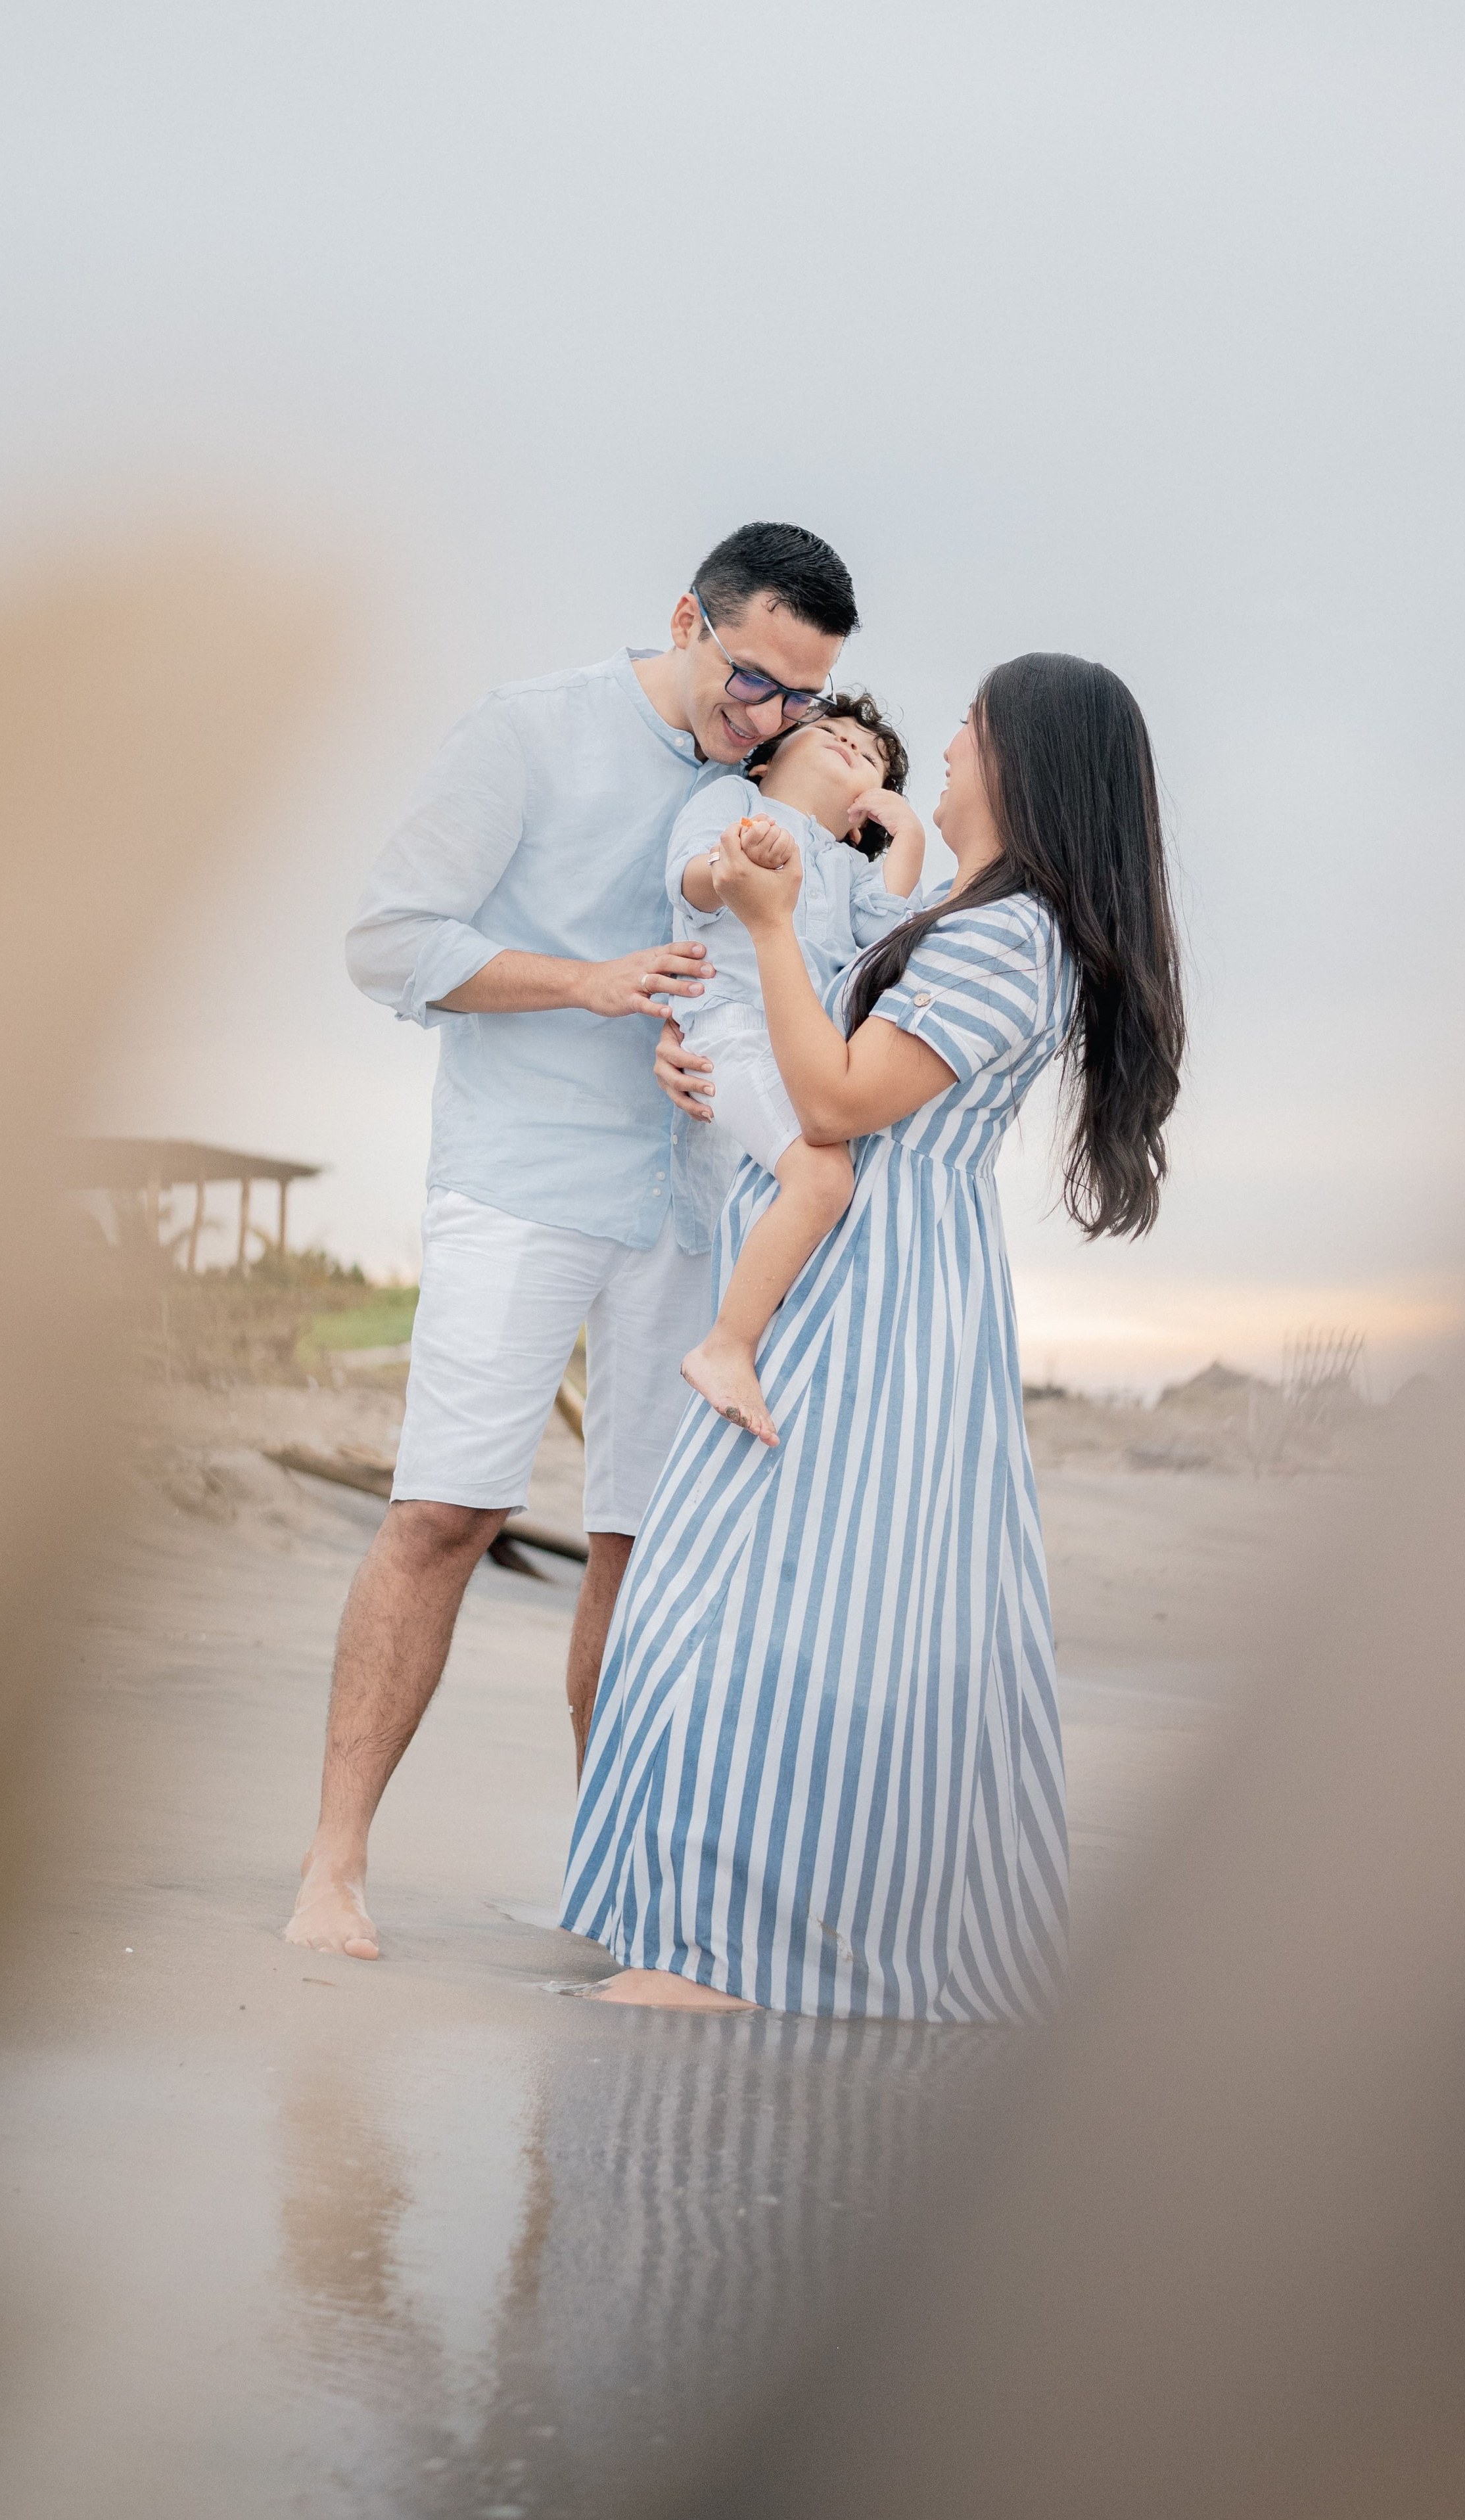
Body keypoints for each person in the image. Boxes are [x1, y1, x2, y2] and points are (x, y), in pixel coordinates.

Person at [559, 653, 1186, 2019]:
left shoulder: (1007, 938)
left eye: (968, 729)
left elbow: (837, 1100)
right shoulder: (972, 917)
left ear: (1025, 765)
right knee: (760, 1590)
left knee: (785, 1600)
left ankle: (739, 1953)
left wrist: (775, 926)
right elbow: (800, 1054)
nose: (943, 751)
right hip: (854, 1269)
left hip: (874, 1288)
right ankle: (700, 1932)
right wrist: (708, 1048)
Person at [284, 521, 859, 1961]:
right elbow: (386, 941)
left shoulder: (770, 778)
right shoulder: (526, 730)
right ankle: (332, 1871)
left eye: (802, 696)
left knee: (643, 1549)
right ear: (687, 620)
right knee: (446, 1514)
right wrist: (585, 983)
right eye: (751, 680)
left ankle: (615, 1889)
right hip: (522, 1180)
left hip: (694, 1204)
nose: (769, 719)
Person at [668, 691, 925, 1445]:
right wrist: (736, 863)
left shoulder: (848, 869)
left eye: (871, 757)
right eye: (831, 733)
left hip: (800, 1055)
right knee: (822, 1178)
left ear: (863, 817)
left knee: (821, 1185)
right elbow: (687, 880)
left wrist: (907, 834)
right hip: (731, 1030)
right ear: (766, 759)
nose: (852, 745)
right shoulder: (735, 801)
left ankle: (764, 1340)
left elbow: (887, 932)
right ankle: (725, 1346)